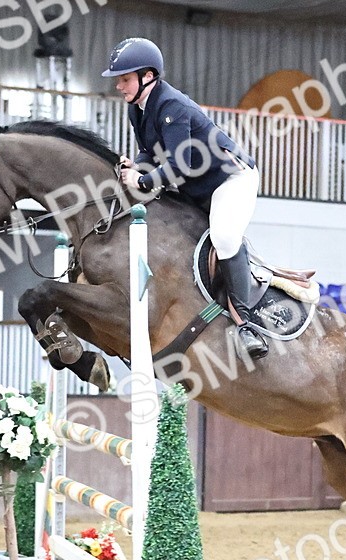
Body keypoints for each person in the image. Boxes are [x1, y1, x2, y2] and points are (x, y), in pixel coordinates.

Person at [103, 37, 267, 359]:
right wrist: (136, 165)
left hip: (231, 181)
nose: (119, 86)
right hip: (196, 187)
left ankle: (248, 325)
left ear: (147, 76)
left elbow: (180, 165)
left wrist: (144, 179)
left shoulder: (171, 105)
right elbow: (150, 152)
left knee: (224, 236)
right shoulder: (139, 108)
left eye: (124, 79)